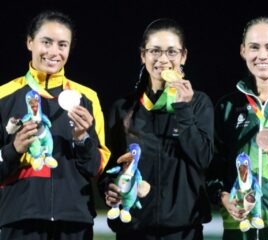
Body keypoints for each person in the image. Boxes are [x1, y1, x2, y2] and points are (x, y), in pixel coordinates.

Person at [98, 18, 214, 240]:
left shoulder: (198, 104)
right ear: (143, 55)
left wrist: (182, 108)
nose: (163, 59)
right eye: (155, 51)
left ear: (184, 56)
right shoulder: (123, 108)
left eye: (172, 52)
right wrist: (109, 188)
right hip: (132, 228)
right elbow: (109, 166)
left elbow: (203, 158)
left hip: (183, 230)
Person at [0, 10, 110, 240]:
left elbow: (96, 168)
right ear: (30, 42)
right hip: (20, 219)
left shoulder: (87, 98)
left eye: (62, 44)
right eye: (46, 42)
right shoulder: (4, 96)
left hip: (74, 222)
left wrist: (82, 140)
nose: (54, 52)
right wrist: (14, 149)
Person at [209, 17, 268, 240]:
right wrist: (222, 196)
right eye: (254, 47)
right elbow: (212, 167)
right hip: (239, 226)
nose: (262, 55)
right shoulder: (227, 106)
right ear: (243, 51)